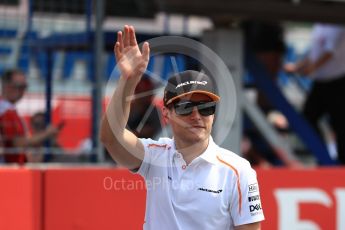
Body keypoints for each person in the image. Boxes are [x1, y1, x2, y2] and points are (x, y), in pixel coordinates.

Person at [101, 25, 264, 230]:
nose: (196, 115)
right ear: (166, 113)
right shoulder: (155, 156)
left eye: (206, 107)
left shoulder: (239, 171)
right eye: (185, 107)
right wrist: (128, 80)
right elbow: (111, 138)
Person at [285, 23, 345, 165]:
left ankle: (340, 162)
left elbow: (330, 52)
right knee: (308, 117)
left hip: (338, 82)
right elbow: (315, 53)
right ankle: (323, 155)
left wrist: (312, 67)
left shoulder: (338, 23)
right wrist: (298, 66)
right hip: (321, 81)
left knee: (340, 125)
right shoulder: (319, 24)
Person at [0, 69, 62, 164]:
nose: (22, 91)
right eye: (19, 86)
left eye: (25, 87)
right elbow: (17, 143)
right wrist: (47, 133)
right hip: (8, 168)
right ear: (7, 86)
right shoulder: (5, 111)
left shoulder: (9, 110)